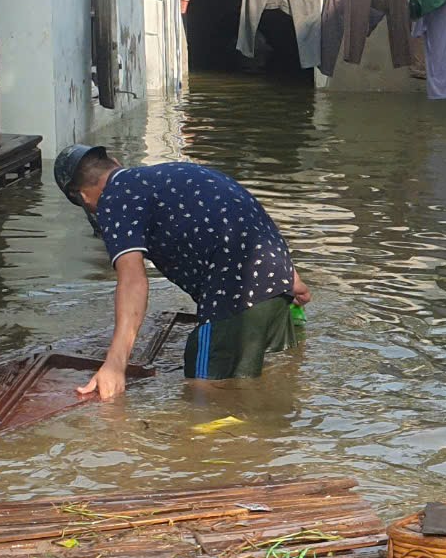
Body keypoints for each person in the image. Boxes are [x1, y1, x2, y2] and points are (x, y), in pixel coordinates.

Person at [52, 143, 309, 401]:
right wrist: (290, 278)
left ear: (83, 198)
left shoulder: (114, 199)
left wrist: (115, 364)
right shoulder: (173, 173)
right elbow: (239, 212)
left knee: (204, 393)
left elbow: (133, 281)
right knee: (272, 382)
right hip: (278, 280)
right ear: (116, 162)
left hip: (235, 295)